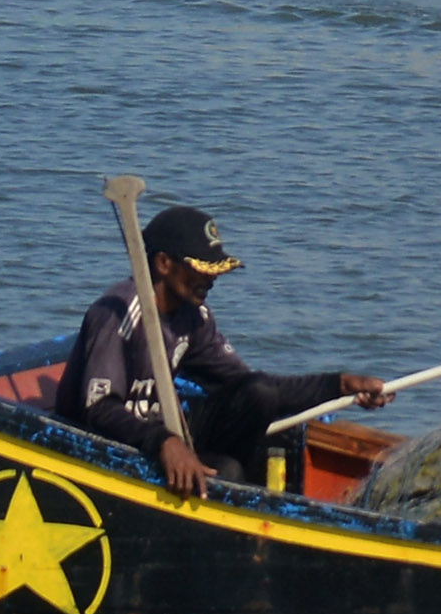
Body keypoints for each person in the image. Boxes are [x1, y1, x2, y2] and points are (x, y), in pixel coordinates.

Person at [55, 203, 395, 496]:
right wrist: (164, 442)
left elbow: (248, 387)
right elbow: (98, 408)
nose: (212, 280)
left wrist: (340, 385)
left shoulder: (194, 317)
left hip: (166, 433)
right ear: (163, 264)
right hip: (115, 447)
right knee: (229, 473)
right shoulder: (116, 314)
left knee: (258, 396)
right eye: (201, 270)